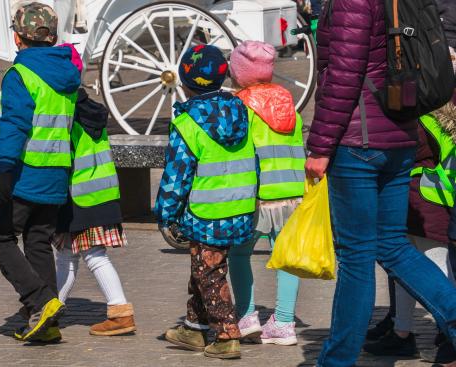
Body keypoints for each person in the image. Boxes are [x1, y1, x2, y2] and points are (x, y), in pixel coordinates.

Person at [305, 0, 456, 364]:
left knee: (356, 257)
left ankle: (336, 360)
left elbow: (343, 76)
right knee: (392, 246)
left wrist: (321, 146)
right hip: (400, 134)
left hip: (359, 142)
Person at [0, 2, 80, 342]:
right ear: (52, 36)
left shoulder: (20, 74)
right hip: (57, 173)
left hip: (25, 173)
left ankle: (41, 300)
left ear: (17, 38)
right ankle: (46, 322)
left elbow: (15, 123)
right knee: (38, 241)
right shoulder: (68, 74)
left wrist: (5, 168)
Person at [157, 43, 254, 360]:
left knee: (209, 273)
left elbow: (177, 174)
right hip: (239, 206)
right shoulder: (240, 112)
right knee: (204, 265)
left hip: (206, 210)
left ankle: (226, 335)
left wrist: (166, 215)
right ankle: (193, 328)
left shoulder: (187, 123)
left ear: (184, 82)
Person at [362, 92, 456, 357]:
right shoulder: (434, 109)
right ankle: (401, 331)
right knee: (405, 271)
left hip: (426, 201)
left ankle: (448, 333)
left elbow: (412, 151)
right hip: (417, 200)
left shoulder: (423, 116)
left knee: (437, 266)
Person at [226, 40, 306, 346]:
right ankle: (284, 322)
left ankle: (246, 316)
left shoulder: (241, 107)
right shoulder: (289, 104)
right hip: (292, 192)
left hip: (258, 195)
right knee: (285, 258)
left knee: (239, 253)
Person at [54, 54, 135, 336]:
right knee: (67, 254)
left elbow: (63, 158)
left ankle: (120, 311)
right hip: (101, 192)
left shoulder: (68, 114)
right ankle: (52, 306)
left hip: (80, 196)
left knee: (92, 256)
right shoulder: (90, 109)